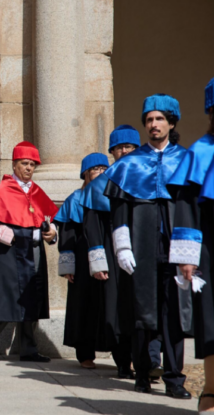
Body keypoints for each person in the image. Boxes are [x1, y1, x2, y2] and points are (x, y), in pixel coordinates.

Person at [102, 94, 189, 397]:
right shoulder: (130, 164)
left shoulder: (186, 161)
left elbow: (195, 209)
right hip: (141, 245)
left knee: (174, 313)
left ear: (171, 122)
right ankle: (141, 373)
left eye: (159, 119)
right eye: (149, 120)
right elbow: (119, 211)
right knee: (143, 311)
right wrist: (122, 246)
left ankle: (175, 379)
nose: (154, 124)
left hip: (177, 247)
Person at [0, 141, 57, 363]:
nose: (29, 168)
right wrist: (10, 234)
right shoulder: (2, 190)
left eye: (32, 164)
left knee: (32, 300)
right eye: (24, 163)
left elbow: (51, 220)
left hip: (34, 252)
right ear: (14, 164)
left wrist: (52, 233)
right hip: (10, 254)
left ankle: (28, 349)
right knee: (5, 301)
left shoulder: (38, 192)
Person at [169, 75, 214, 415]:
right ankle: (211, 392)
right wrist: (188, 255)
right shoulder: (202, 153)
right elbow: (186, 207)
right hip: (213, 255)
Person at [80, 126, 141, 379]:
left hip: (145, 253)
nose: (124, 151)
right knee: (117, 310)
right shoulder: (98, 186)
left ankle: (148, 360)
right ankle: (123, 361)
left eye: (129, 147)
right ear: (112, 152)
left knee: (145, 306)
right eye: (119, 148)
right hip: (112, 256)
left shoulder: (147, 176)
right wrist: (98, 262)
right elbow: (92, 227)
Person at [56, 153, 109, 368]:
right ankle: (85, 353)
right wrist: (68, 265)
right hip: (81, 259)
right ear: (85, 173)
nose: (100, 173)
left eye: (104, 169)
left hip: (109, 258)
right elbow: (67, 235)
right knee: (84, 306)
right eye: (95, 169)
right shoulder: (74, 199)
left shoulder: (111, 195)